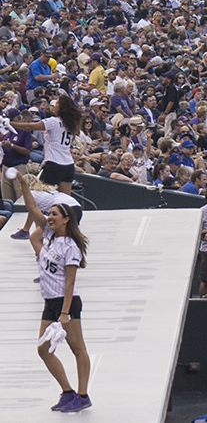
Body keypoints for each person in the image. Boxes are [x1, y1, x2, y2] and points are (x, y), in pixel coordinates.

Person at [16, 171, 91, 412]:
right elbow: (31, 206)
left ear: (66, 219)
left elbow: (70, 283)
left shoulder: (71, 247)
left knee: (77, 348)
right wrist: (24, 184)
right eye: (49, 213)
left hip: (65, 303)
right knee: (43, 349)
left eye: (54, 215)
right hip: (50, 301)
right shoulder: (48, 236)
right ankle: (67, 391)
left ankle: (82, 395)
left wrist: (65, 313)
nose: (49, 217)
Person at [11, 95, 81, 196]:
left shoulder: (53, 121)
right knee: (65, 198)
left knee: (38, 196)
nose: (53, 106)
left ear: (61, 108)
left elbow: (29, 126)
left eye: (56, 104)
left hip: (54, 163)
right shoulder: (71, 123)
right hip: (69, 165)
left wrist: (10, 123)